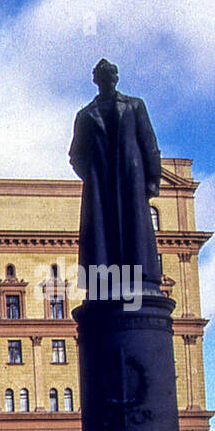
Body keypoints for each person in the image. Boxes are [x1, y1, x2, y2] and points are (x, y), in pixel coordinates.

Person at [69, 58, 162, 296]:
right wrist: (92, 175)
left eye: (110, 74)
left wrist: (152, 178)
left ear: (116, 78)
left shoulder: (134, 106)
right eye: (102, 75)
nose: (107, 79)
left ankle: (139, 277)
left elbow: (149, 143)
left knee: (133, 227)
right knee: (103, 231)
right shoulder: (85, 115)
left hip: (131, 178)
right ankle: (105, 281)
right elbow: (76, 154)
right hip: (101, 185)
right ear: (96, 80)